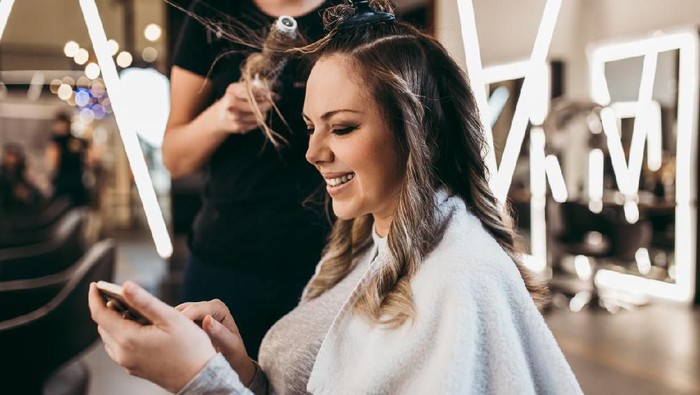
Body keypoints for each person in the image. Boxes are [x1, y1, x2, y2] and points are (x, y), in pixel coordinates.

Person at [88, 1, 582, 393]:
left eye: (342, 127)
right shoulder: (364, 254)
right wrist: (243, 373)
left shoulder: (456, 279)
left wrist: (199, 379)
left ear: (416, 129)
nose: (312, 153)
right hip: (239, 252)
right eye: (308, 128)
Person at [165, 0, 335, 358]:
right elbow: (175, 159)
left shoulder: (353, 12)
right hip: (225, 261)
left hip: (332, 264)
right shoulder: (213, 14)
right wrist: (219, 117)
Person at [46, 112, 89, 206]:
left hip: (66, 181)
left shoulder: (57, 141)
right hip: (74, 180)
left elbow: (53, 163)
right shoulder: (75, 141)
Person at [0, 144, 44, 210]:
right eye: (11, 155)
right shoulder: (3, 171)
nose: (13, 159)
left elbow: (24, 181)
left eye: (15, 156)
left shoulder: (20, 169)